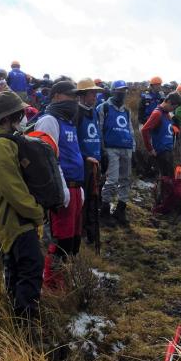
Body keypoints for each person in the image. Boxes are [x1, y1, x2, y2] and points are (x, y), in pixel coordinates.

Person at [0, 91, 44, 320]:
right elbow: (12, 188)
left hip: (14, 219)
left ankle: (15, 321)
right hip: (15, 220)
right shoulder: (0, 145)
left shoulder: (5, 142)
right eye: (19, 114)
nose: (23, 117)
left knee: (17, 271)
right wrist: (36, 212)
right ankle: (25, 326)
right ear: (7, 118)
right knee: (31, 269)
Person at [35, 81, 84, 260]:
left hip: (75, 187)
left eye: (76, 97)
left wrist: (79, 188)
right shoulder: (49, 121)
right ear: (56, 96)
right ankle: (52, 284)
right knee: (59, 242)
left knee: (73, 240)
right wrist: (61, 189)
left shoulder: (68, 122)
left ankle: (65, 280)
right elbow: (47, 161)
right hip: (61, 191)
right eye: (70, 96)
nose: (74, 101)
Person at [98, 80, 135, 226]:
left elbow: (131, 130)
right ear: (113, 91)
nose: (122, 93)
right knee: (112, 180)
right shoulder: (104, 107)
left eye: (124, 90)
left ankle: (120, 210)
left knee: (126, 179)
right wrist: (102, 150)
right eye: (119, 90)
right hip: (110, 148)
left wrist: (134, 149)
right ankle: (105, 209)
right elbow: (99, 129)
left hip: (126, 148)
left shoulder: (126, 111)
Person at [75, 78, 103, 250]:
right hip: (83, 164)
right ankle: (82, 232)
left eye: (95, 93)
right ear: (83, 95)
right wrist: (85, 157)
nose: (95, 96)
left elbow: (97, 135)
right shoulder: (76, 113)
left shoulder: (94, 112)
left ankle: (92, 233)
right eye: (92, 93)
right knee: (85, 200)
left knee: (94, 199)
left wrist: (103, 153)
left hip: (96, 162)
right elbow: (74, 141)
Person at [141, 92, 181, 177]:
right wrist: (150, 149)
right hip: (160, 152)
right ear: (169, 102)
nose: (173, 110)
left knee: (170, 179)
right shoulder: (157, 113)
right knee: (166, 180)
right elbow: (144, 130)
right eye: (173, 107)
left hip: (168, 151)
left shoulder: (167, 115)